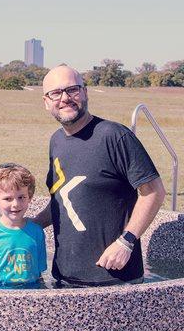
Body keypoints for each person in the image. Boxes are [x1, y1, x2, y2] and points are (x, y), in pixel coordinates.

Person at [35, 64, 165, 287]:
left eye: (72, 90)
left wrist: (127, 241)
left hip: (115, 280)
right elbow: (62, 197)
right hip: (63, 279)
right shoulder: (56, 141)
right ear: (46, 102)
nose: (65, 98)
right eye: (55, 93)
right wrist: (30, 225)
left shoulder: (114, 136)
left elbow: (153, 192)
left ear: (85, 92)